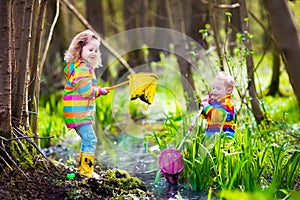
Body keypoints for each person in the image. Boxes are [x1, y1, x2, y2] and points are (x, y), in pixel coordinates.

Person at [63, 30, 110, 178]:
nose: (94, 53)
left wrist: (98, 89)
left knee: (87, 139)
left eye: (96, 50)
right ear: (79, 49)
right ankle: (86, 171)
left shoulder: (78, 67)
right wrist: (100, 91)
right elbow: (86, 91)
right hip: (78, 113)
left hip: (77, 112)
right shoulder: (82, 69)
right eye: (90, 50)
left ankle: (84, 169)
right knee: (90, 139)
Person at [201, 71, 235, 139]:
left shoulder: (227, 103)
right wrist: (204, 105)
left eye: (218, 89)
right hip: (212, 137)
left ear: (229, 90)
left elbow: (217, 117)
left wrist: (207, 107)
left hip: (224, 139)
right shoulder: (213, 103)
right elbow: (204, 116)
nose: (214, 91)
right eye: (213, 88)